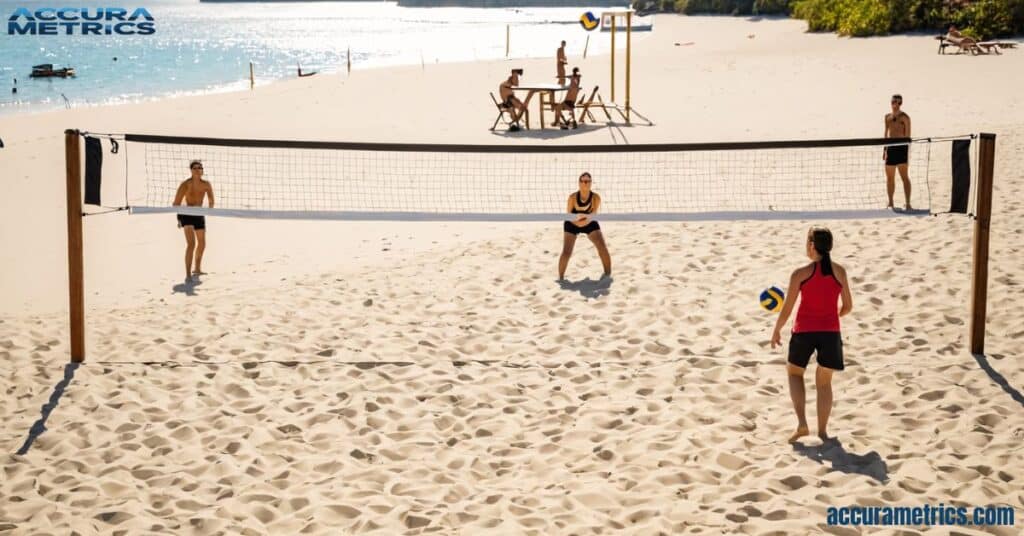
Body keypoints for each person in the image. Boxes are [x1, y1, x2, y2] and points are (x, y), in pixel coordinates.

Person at [770, 227, 853, 443]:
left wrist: (777, 329)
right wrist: (832, 317)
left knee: (794, 374)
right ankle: (823, 432)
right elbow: (848, 306)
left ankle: (802, 424)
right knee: (824, 383)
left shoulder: (800, 274)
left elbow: (787, 308)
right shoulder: (840, 272)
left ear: (811, 245)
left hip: (804, 331)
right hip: (830, 333)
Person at [559, 172, 611, 280]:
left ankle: (608, 275)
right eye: (582, 181)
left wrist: (584, 222)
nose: (585, 183)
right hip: (572, 222)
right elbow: (569, 215)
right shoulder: (572, 197)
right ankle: (561, 278)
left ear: (591, 183)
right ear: (579, 183)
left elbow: (593, 214)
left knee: (602, 247)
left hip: (589, 221)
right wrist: (578, 223)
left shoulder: (595, 197)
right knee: (566, 252)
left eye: (587, 181)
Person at [172, 160, 215, 281]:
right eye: (195, 168)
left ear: (202, 170)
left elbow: (211, 201)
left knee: (202, 244)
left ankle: (197, 269)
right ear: (191, 170)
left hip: (199, 214)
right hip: (186, 214)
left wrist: (211, 208)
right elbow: (176, 203)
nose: (197, 170)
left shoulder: (206, 184)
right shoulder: (185, 184)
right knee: (191, 244)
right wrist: (179, 218)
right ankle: (188, 274)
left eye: (200, 168)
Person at [883, 94, 912, 210]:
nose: (896, 105)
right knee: (890, 178)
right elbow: (886, 133)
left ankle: (908, 203)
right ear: (891, 102)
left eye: (899, 103)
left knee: (904, 176)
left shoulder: (905, 117)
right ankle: (890, 202)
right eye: (894, 102)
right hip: (890, 147)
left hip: (901, 148)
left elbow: (908, 135)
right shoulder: (887, 117)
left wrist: (906, 150)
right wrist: (884, 149)